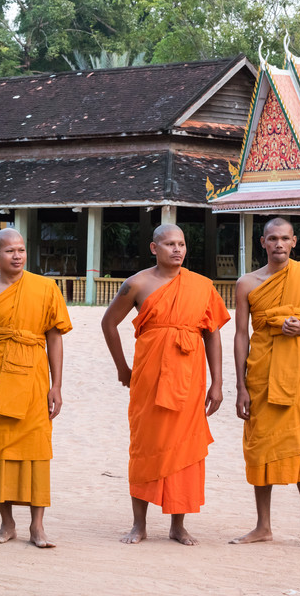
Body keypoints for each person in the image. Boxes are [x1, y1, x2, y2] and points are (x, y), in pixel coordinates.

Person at [101, 224, 230, 545]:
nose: (177, 250)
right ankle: (139, 525)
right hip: (149, 378)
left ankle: (178, 525)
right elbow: (108, 323)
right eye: (170, 244)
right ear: (153, 248)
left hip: (189, 380)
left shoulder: (201, 286)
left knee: (184, 448)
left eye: (182, 244)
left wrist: (218, 383)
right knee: (145, 446)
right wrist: (122, 367)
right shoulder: (137, 284)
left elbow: (212, 334)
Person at [231, 217, 300, 549]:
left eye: (285, 239)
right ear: (262, 242)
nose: (279, 244)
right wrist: (240, 386)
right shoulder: (246, 283)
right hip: (260, 372)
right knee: (260, 446)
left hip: (296, 372)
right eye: (272, 238)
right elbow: (240, 334)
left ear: (294, 242)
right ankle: (263, 526)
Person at [0, 227, 72, 548]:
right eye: (10, 251)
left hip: (34, 380)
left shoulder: (45, 287)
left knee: (37, 450)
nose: (17, 256)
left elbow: (54, 337)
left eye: (21, 250)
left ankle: (37, 527)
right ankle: (7, 524)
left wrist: (57, 386)